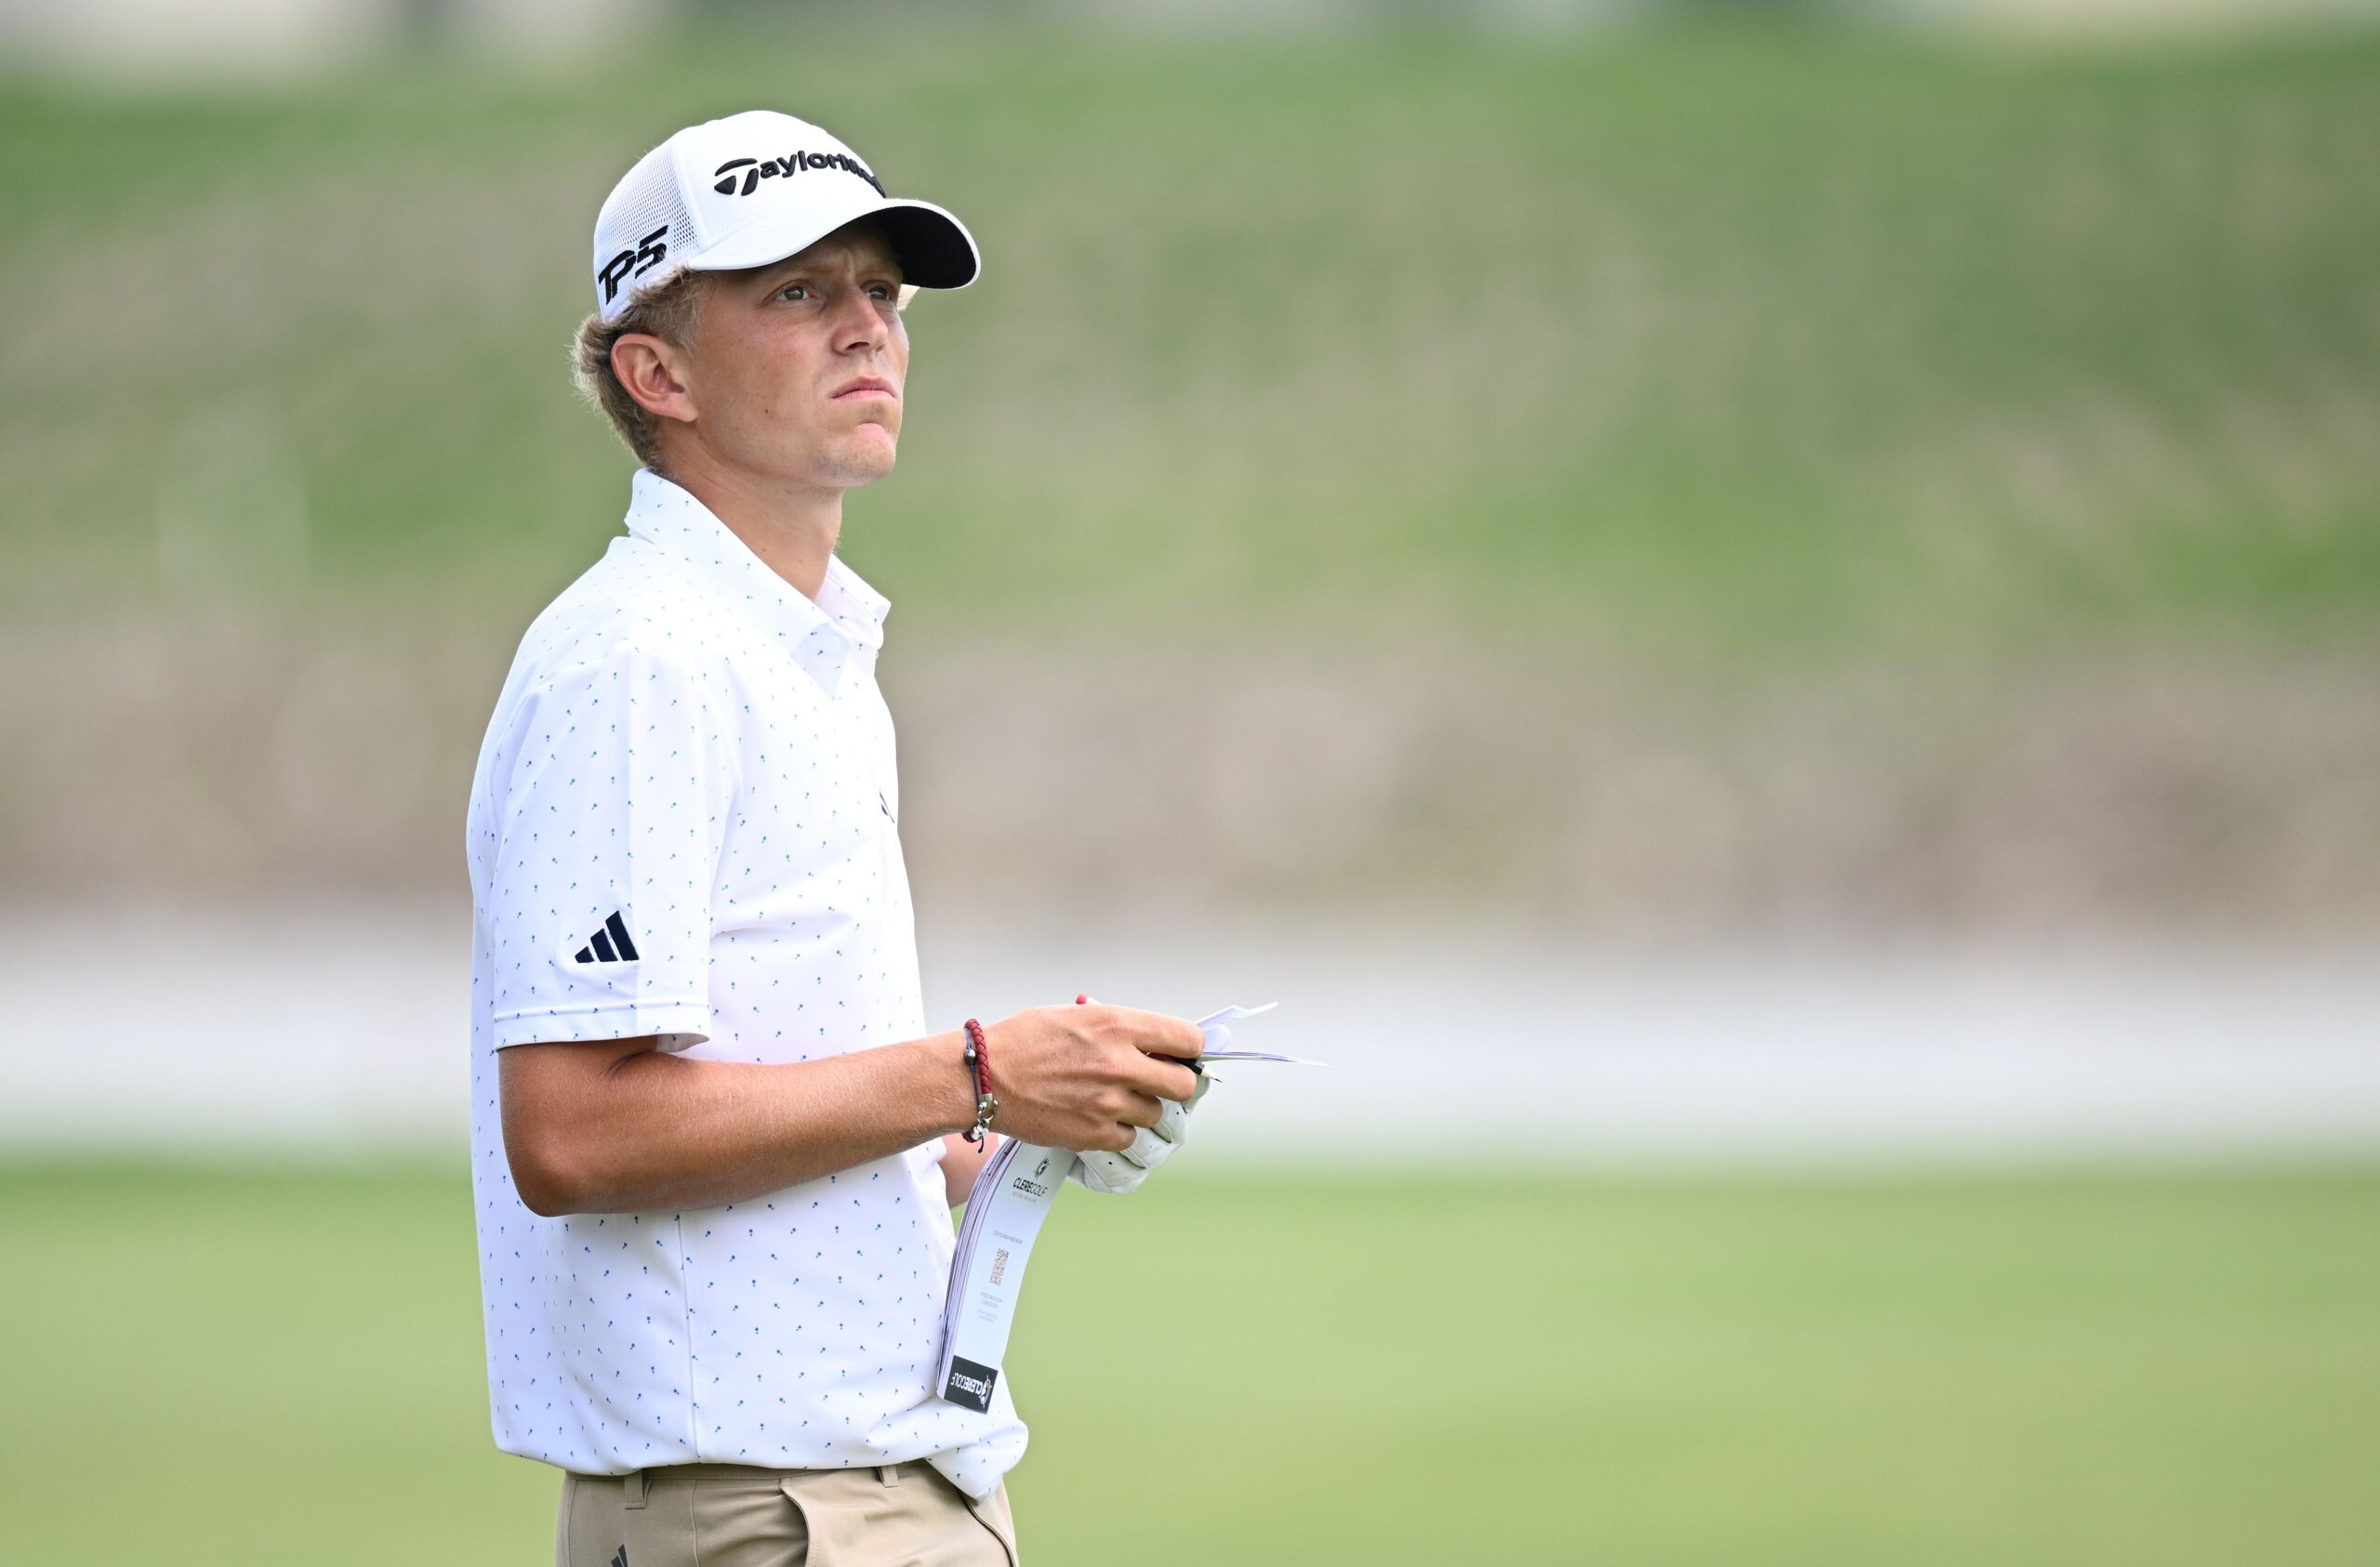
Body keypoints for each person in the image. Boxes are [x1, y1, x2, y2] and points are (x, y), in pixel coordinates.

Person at [463, 109, 1209, 1567]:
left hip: (854, 1493)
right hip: (775, 1509)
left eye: (882, 290)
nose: (868, 327)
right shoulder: (642, 659)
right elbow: (571, 1129)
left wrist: (989, 1130)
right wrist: (978, 1069)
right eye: (798, 291)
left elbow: (760, 1093)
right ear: (658, 372)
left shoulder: (786, 651)